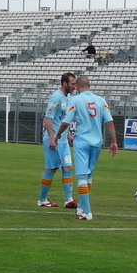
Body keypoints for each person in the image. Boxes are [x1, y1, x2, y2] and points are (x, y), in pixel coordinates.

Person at [55, 75, 117, 221]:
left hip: (82, 141)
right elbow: (110, 122)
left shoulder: (75, 100)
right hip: (97, 143)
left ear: (77, 86)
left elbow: (66, 121)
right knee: (89, 175)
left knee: (82, 176)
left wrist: (58, 134)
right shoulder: (101, 100)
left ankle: (87, 213)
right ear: (89, 85)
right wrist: (114, 142)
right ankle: (81, 208)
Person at [38, 72, 77, 209]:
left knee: (67, 167)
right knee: (51, 169)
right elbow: (48, 118)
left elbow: (62, 120)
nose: (74, 86)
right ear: (64, 83)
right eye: (72, 83)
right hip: (53, 139)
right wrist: (52, 138)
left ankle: (69, 200)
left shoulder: (69, 97)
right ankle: (42, 199)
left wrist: (67, 135)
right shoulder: (56, 97)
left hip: (63, 141)